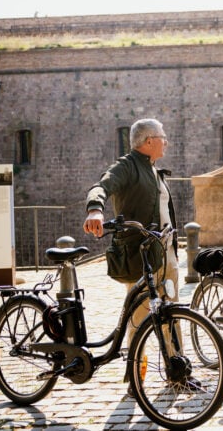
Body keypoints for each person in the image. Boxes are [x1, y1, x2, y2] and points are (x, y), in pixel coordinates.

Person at [83, 118, 189, 393]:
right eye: (163, 136)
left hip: (166, 254)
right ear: (149, 140)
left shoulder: (155, 170)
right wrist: (95, 208)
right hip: (141, 256)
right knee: (140, 318)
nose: (166, 141)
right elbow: (102, 185)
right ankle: (135, 377)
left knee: (172, 313)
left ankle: (178, 372)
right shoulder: (127, 165)